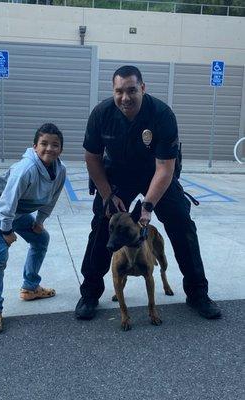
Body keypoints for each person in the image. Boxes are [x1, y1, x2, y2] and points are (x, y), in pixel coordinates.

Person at [75, 65, 221, 321]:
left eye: (132, 90)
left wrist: (148, 205)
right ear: (113, 90)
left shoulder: (162, 114)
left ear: (142, 88)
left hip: (155, 173)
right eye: (119, 91)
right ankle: (90, 293)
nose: (125, 97)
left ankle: (197, 292)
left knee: (181, 221)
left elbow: (165, 167)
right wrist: (108, 195)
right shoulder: (101, 114)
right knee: (101, 223)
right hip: (118, 174)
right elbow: (92, 157)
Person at [0, 123, 66, 333]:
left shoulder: (60, 170)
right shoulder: (25, 169)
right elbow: (7, 202)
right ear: (35, 146)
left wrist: (39, 221)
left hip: (16, 211)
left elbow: (51, 199)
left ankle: (30, 288)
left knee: (41, 239)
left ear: (61, 149)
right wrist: (6, 230)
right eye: (44, 144)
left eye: (55, 145)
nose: (49, 148)